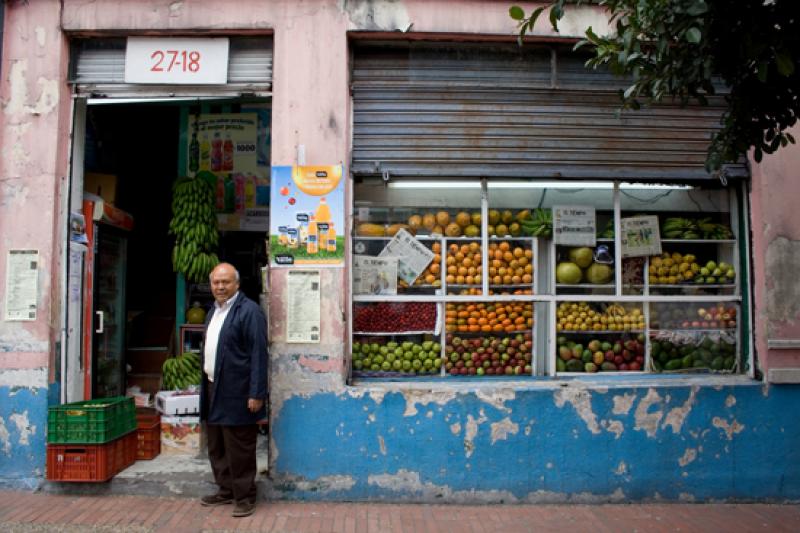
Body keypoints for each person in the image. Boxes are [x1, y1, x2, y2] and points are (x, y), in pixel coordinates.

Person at [199, 263, 268, 518]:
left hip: (237, 391)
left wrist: (257, 393)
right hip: (213, 387)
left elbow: (259, 355)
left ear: (237, 284)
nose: (220, 287)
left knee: (239, 446)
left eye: (225, 282)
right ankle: (226, 489)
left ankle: (245, 496)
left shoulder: (249, 312)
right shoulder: (213, 312)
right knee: (217, 444)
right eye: (216, 282)